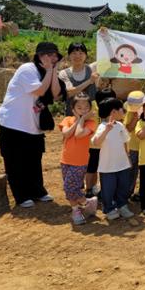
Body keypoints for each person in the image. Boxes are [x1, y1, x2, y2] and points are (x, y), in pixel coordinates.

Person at [0, 41, 66, 208]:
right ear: (40, 56)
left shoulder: (48, 72)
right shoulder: (27, 69)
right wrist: (50, 70)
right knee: (15, 160)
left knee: (34, 159)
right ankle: (21, 196)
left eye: (55, 55)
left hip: (33, 124)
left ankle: (37, 191)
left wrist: (53, 70)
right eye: (49, 55)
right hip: (14, 122)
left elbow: (56, 94)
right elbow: (40, 91)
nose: (52, 58)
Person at [91, 97, 134, 221]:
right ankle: (109, 208)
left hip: (122, 164)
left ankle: (122, 206)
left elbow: (125, 142)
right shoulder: (102, 126)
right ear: (113, 112)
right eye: (121, 109)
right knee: (108, 189)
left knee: (123, 186)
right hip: (107, 166)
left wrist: (128, 158)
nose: (123, 111)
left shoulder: (120, 125)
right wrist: (106, 130)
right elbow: (96, 142)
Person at [58, 92, 98, 224]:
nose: (83, 110)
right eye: (79, 108)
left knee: (69, 187)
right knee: (72, 187)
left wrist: (81, 119)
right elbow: (67, 134)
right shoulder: (67, 120)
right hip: (65, 159)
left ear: (90, 109)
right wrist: (78, 120)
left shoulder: (91, 123)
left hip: (80, 161)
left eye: (86, 108)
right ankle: (86, 203)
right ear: (73, 109)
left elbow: (80, 134)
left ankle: (77, 211)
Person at [85, 87, 116, 198]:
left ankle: (96, 188)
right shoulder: (92, 106)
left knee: (102, 168)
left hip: (107, 145)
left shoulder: (113, 109)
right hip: (93, 145)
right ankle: (88, 189)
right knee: (91, 168)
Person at [58, 42, 99, 116]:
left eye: (81, 53)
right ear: (69, 56)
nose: (77, 56)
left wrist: (104, 36)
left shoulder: (92, 68)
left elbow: (108, 59)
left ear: (86, 55)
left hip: (91, 115)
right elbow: (70, 92)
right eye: (74, 53)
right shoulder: (64, 73)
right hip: (72, 115)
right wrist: (90, 81)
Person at [124, 90, 145, 202]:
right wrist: (136, 117)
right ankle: (128, 191)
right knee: (132, 170)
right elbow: (128, 128)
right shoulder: (130, 113)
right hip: (133, 146)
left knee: (144, 171)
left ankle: (142, 192)